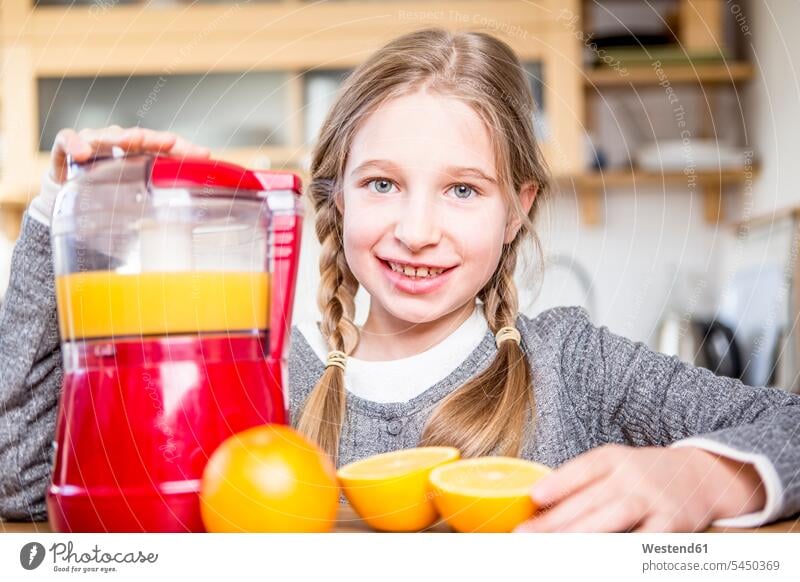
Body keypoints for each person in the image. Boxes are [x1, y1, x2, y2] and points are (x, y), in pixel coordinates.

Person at [1, 28, 798, 532]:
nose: (417, 230)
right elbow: (18, 478)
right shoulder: (257, 381)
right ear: (334, 198)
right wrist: (64, 225)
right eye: (382, 184)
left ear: (518, 208)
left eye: (463, 189)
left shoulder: (578, 370)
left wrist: (705, 473)